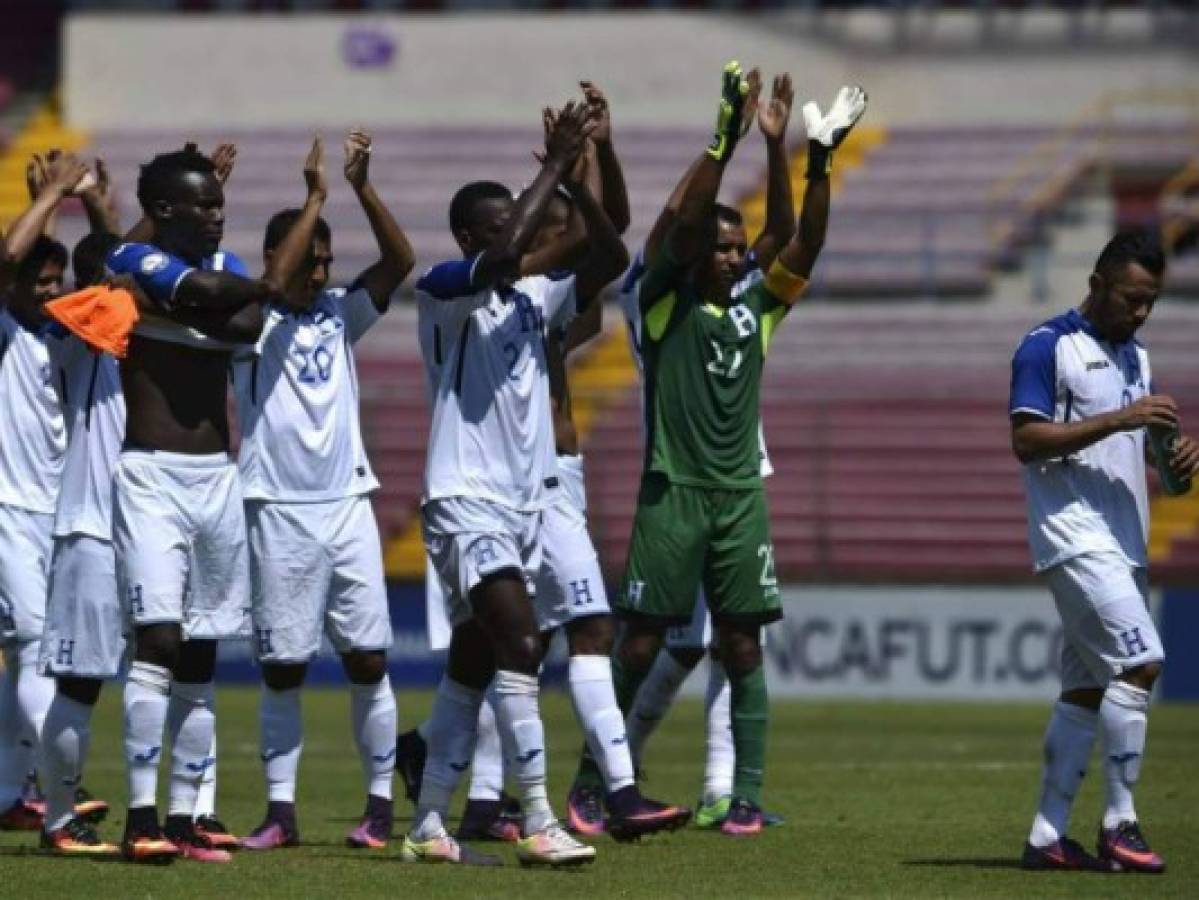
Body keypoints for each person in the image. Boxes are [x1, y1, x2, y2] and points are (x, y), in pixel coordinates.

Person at [595, 61, 865, 837]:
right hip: (673, 489)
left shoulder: (755, 312)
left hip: (739, 493)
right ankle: (599, 780)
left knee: (739, 645)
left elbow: (797, 243)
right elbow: (674, 231)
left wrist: (810, 158)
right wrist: (725, 140)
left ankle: (738, 793)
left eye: (737, 250)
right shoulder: (658, 307)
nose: (736, 256)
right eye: (721, 248)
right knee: (645, 642)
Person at [401, 100, 608, 868]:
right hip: (465, 498)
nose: (522, 237)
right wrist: (552, 165)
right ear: (469, 236)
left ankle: (426, 825)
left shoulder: (535, 296)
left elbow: (607, 252)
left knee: (471, 666)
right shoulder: (444, 289)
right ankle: (539, 819)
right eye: (503, 226)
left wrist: (580, 179)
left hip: (525, 501)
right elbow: (505, 255)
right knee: (521, 644)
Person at [234, 131, 414, 851]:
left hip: (345, 506)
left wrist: (360, 188)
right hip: (276, 509)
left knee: (368, 659)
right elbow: (274, 285)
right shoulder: (249, 318)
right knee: (283, 667)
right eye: (312, 257)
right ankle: (281, 811)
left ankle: (377, 808)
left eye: (327, 260)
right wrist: (312, 197)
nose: (322, 270)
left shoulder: (341, 312)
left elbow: (399, 262)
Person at [104, 144, 281, 863]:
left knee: (204, 648)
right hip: (150, 475)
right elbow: (224, 307)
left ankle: (185, 816)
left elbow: (243, 325)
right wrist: (216, 298)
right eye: (203, 204)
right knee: (159, 641)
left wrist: (200, 300)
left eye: (219, 202)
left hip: (217, 476)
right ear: (164, 211)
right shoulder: (132, 262)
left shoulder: (218, 271)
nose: (218, 213)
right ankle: (139, 816)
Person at [1010, 230, 1195, 874]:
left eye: (1151, 301)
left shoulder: (1137, 360)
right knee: (1142, 662)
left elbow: (1152, 464)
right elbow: (1028, 439)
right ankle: (1121, 824)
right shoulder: (1047, 346)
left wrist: (1177, 466)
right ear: (1096, 285)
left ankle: (1047, 835)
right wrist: (1122, 419)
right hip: (1073, 537)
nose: (1140, 312)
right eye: (1131, 298)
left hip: (1124, 542)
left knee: (1086, 688)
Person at [0, 153, 90, 833]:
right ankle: (64, 794)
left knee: (28, 654)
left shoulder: (58, 334)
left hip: (51, 510)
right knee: (32, 643)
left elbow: (77, 273)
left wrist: (65, 208)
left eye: (59, 282)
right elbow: (9, 258)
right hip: (5, 506)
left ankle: (11, 793)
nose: (51, 290)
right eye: (42, 281)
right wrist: (53, 195)